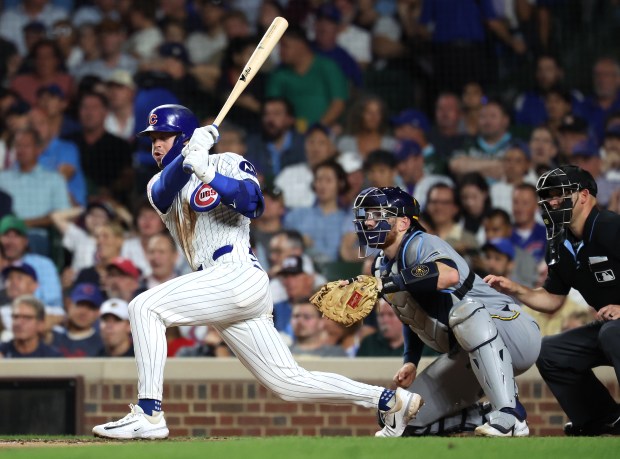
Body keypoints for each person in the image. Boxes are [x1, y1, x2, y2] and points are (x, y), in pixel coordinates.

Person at [92, 104, 422, 439]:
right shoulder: (157, 184)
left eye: (164, 136)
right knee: (288, 382)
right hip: (218, 287)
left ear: (185, 136)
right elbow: (166, 189)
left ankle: (149, 414)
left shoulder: (227, 161)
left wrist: (208, 171)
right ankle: (388, 401)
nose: (156, 145)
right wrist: (189, 155)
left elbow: (253, 203)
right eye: (153, 139)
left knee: (144, 307)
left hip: (237, 274)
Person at [352, 186, 541, 436]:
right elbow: (409, 314)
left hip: (512, 330)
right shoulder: (380, 267)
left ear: (403, 222)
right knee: (400, 416)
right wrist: (411, 360)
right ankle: (484, 415)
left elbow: (447, 274)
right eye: (367, 215)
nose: (369, 221)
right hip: (470, 353)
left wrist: (390, 283)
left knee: (466, 313)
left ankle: (510, 412)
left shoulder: (420, 242)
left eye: (378, 214)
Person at [485, 165, 620, 436]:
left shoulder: (610, 226)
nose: (551, 202)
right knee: (550, 352)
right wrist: (516, 289)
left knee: (611, 332)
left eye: (558, 194)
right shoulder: (559, 243)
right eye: (547, 196)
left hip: (614, 327)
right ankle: (600, 420)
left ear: (584, 196)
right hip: (611, 327)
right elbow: (553, 299)